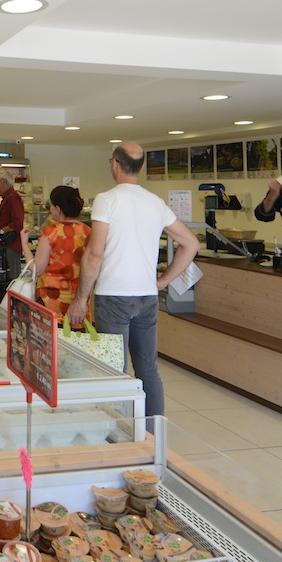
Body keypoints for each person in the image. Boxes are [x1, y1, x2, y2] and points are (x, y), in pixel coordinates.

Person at [67, 143, 199, 418]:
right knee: (148, 369)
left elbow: (94, 254)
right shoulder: (155, 202)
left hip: (113, 296)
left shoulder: (107, 200)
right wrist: (162, 281)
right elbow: (191, 243)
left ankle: (120, 431)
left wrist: (80, 299)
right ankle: (152, 432)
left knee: (114, 368)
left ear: (115, 164)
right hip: (147, 297)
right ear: (142, 167)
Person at [26, 185, 92, 322]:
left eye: (51, 206)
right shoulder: (89, 232)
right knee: (76, 335)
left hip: (51, 300)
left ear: (58, 209)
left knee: (52, 335)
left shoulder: (51, 233)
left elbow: (37, 270)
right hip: (79, 301)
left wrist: (24, 244)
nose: (50, 209)